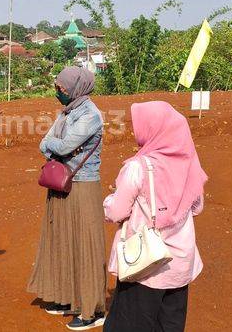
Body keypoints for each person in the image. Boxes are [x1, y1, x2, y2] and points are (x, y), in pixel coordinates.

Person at [102, 101, 207, 332]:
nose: (135, 130)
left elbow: (117, 211)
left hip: (146, 265)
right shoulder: (190, 164)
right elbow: (197, 207)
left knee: (131, 323)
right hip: (180, 263)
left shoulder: (138, 167)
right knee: (170, 323)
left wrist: (109, 199)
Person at [27, 66, 107, 331]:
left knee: (85, 245)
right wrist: (52, 143)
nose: (57, 92)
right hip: (61, 185)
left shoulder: (90, 115)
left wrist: (52, 144)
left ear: (75, 88)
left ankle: (92, 310)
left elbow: (60, 145)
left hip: (82, 186)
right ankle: (66, 298)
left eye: (61, 88)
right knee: (61, 240)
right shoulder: (68, 112)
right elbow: (45, 143)